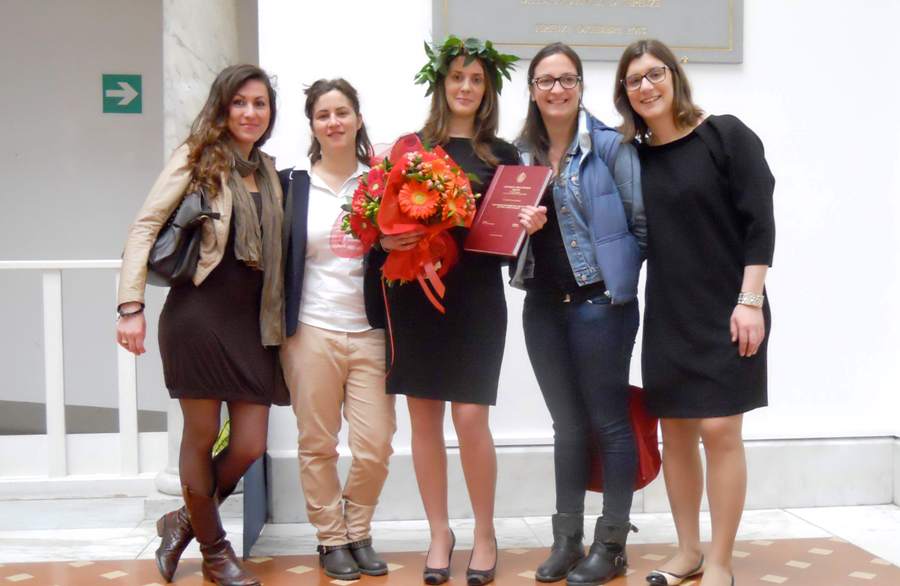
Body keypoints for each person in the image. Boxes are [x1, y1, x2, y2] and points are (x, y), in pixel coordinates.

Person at [116, 64, 287, 586]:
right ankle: (215, 553)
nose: (250, 113)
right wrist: (130, 305)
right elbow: (146, 224)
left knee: (250, 443)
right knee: (202, 433)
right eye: (240, 102)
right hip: (198, 315)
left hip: (253, 324)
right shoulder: (197, 158)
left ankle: (183, 520)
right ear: (222, 107)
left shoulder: (269, 172)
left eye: (260, 103)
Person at [614, 39, 775, 586]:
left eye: (654, 73)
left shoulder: (725, 136)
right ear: (625, 94)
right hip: (669, 311)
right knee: (677, 432)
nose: (646, 87)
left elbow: (760, 224)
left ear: (674, 76)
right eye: (634, 80)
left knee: (720, 429)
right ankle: (688, 551)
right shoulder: (633, 160)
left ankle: (721, 561)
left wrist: (750, 301)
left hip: (731, 305)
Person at [374, 36, 519, 586]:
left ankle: (485, 533)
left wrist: (525, 228)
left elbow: (506, 245)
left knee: (471, 417)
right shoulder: (409, 149)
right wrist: (386, 239)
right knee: (424, 418)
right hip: (416, 294)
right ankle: (439, 532)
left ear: (487, 90)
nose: (466, 86)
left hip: (476, 298)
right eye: (457, 76)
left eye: (476, 79)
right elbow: (377, 224)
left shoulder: (503, 156)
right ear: (441, 84)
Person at [511, 42, 646, 586]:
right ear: (532, 90)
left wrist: (616, 285)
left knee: (609, 422)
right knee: (566, 426)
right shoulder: (518, 154)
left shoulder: (611, 145)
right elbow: (499, 238)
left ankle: (611, 545)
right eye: (546, 80)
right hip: (542, 306)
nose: (557, 89)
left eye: (567, 79)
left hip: (600, 304)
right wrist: (519, 230)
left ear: (582, 85)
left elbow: (641, 226)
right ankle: (566, 540)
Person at [278, 78, 396, 581]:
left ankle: (358, 529)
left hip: (370, 331)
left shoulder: (381, 182)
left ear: (358, 119)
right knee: (318, 444)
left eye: (342, 112)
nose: (334, 122)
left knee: (376, 445)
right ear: (312, 125)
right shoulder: (293, 184)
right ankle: (332, 538)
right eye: (323, 115)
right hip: (311, 331)